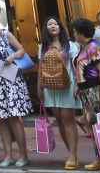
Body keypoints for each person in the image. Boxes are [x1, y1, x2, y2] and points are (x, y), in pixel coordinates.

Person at [0, 9, 32, 169]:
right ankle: (8, 155)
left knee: (14, 117)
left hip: (10, 80)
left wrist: (12, 56)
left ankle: (23, 155)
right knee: (1, 119)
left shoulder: (5, 34)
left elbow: (21, 50)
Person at [71, 18, 100, 173]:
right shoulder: (84, 47)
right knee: (95, 124)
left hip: (95, 89)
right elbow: (82, 69)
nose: (74, 34)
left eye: (75, 32)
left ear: (80, 32)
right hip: (86, 91)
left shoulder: (94, 47)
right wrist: (78, 85)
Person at [38, 15, 79, 171]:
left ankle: (72, 155)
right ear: (46, 28)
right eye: (50, 24)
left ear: (60, 27)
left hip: (68, 85)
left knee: (68, 119)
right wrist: (39, 87)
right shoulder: (43, 46)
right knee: (60, 121)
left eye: (56, 23)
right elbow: (41, 67)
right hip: (50, 87)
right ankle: (71, 153)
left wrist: (78, 84)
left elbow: (76, 66)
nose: (53, 26)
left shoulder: (69, 45)